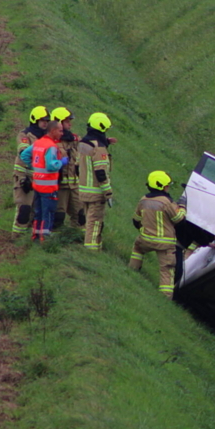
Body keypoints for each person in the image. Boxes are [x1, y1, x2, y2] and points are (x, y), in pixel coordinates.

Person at [129, 171, 186, 299]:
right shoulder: (166, 202)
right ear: (163, 187)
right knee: (166, 270)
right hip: (165, 244)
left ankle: (132, 270)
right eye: (167, 185)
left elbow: (136, 220)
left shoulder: (143, 200)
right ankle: (165, 297)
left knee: (137, 249)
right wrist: (182, 206)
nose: (168, 187)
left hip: (145, 239)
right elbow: (179, 220)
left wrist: (143, 230)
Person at [19, 121, 67, 241]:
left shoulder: (38, 143)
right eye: (60, 131)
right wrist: (62, 162)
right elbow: (51, 166)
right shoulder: (51, 146)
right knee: (48, 213)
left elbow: (24, 155)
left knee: (38, 213)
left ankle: (35, 236)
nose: (62, 133)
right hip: (48, 187)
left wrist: (35, 167)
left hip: (37, 185)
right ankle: (45, 239)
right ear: (53, 131)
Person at [78, 112, 115, 251]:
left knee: (88, 222)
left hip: (83, 191)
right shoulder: (99, 148)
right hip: (96, 193)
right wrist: (108, 193)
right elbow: (101, 173)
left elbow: (77, 166)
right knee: (94, 224)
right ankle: (91, 252)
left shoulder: (83, 144)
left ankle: (90, 248)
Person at [11, 105, 49, 235]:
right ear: (35, 120)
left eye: (47, 121)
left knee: (37, 213)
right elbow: (23, 152)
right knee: (24, 210)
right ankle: (17, 238)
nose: (45, 123)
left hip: (41, 179)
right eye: (42, 120)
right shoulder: (25, 135)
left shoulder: (48, 137)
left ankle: (31, 240)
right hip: (24, 176)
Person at [50, 107, 83, 229]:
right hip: (59, 187)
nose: (70, 124)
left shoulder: (74, 139)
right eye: (67, 121)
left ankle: (77, 238)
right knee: (58, 217)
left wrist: (104, 141)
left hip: (74, 186)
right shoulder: (50, 141)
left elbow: (88, 146)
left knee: (81, 216)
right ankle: (56, 239)